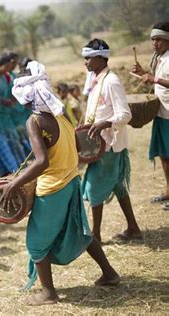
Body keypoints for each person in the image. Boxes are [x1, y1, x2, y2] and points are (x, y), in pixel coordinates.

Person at [0, 61, 119, 306]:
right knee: (79, 230)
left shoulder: (34, 121)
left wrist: (13, 184)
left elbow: (42, 161)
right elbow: (74, 145)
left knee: (36, 243)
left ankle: (48, 293)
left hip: (52, 188)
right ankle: (109, 273)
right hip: (71, 180)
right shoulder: (60, 112)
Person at [81, 39, 142, 242]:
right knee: (118, 185)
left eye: (88, 58)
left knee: (94, 188)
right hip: (102, 145)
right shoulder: (97, 79)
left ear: (100, 58)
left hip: (108, 146)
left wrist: (104, 124)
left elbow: (125, 115)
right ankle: (133, 228)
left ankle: (95, 235)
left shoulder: (111, 82)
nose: (85, 62)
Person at [132, 22, 169, 210]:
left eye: (159, 39)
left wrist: (153, 78)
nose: (155, 43)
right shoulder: (160, 58)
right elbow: (157, 82)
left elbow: (160, 81)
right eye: (153, 39)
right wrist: (143, 74)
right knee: (164, 155)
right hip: (162, 114)